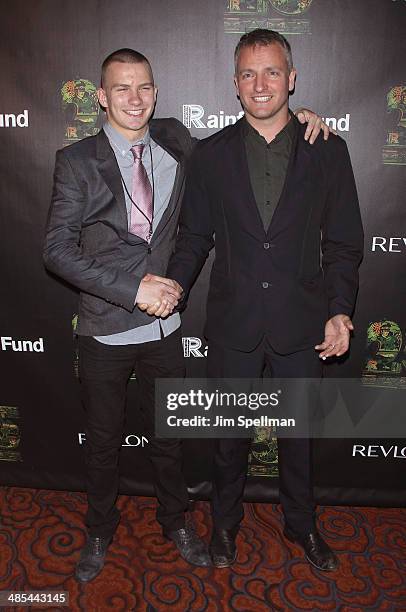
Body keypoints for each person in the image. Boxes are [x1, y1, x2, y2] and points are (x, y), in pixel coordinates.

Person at [44, 46, 331, 581]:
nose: (135, 99)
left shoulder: (176, 139)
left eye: (145, 87)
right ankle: (99, 530)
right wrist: (133, 289)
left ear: (156, 93)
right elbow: (57, 251)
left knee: (168, 440)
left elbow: (248, 142)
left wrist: (305, 117)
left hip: (165, 330)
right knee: (103, 443)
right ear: (101, 97)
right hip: (106, 328)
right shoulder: (76, 161)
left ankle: (175, 522)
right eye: (122, 89)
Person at [156, 29, 364, 570]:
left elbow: (343, 241)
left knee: (300, 439)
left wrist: (340, 309)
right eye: (248, 73)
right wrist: (176, 283)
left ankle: (302, 525)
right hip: (234, 324)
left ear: (291, 79)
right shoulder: (210, 155)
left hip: (303, 323)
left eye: (272, 71)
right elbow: (195, 236)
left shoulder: (328, 149)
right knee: (229, 439)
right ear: (235, 83)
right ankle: (224, 526)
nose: (261, 83)